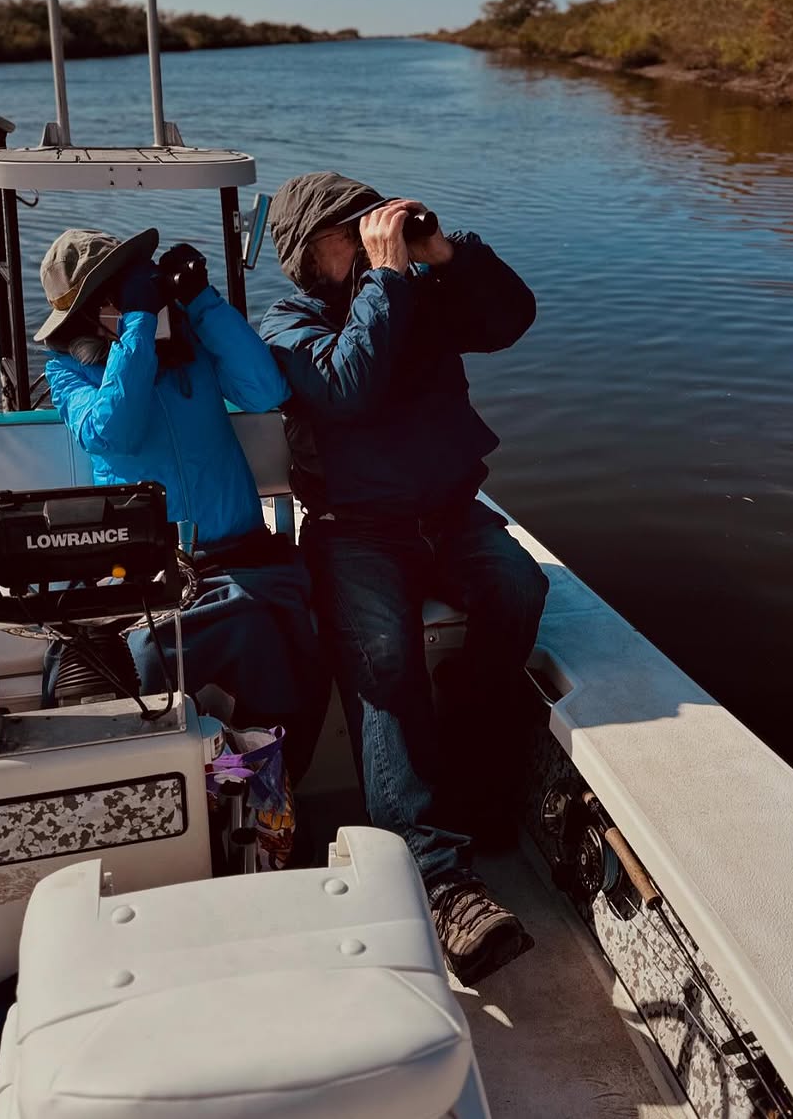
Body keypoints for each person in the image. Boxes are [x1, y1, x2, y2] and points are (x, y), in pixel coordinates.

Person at [260, 172, 550, 985]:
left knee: (520, 590)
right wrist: (387, 281)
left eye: (370, 223)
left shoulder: (417, 293)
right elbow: (346, 391)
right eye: (345, 232)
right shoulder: (286, 324)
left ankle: (461, 740)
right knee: (384, 662)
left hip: (452, 515)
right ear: (306, 254)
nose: (366, 238)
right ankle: (438, 878)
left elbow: (509, 319)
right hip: (358, 533)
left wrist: (445, 255)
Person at [34, 226, 325, 782]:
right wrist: (138, 328)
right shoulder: (67, 368)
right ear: (89, 310)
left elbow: (266, 391)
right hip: (146, 569)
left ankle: (267, 787)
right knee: (143, 655)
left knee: (292, 646)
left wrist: (201, 301)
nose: (134, 297)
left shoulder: (190, 336)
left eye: (133, 285)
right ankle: (158, 786)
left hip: (242, 552)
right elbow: (111, 432)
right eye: (116, 293)